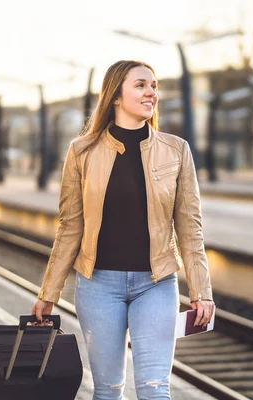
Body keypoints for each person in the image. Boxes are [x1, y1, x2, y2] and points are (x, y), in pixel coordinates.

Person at [31, 60, 214, 400]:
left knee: (155, 389)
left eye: (154, 86)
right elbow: (70, 228)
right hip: (98, 285)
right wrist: (48, 293)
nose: (151, 93)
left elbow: (190, 229)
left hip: (156, 285)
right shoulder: (82, 151)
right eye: (141, 85)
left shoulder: (176, 151)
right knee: (108, 390)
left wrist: (202, 291)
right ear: (116, 95)